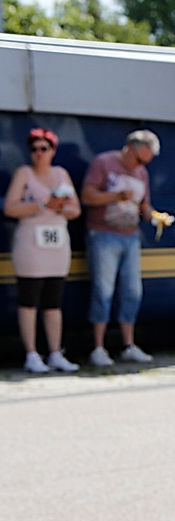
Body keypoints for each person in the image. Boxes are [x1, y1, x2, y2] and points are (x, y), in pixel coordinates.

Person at [80, 129, 162, 366]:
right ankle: (98, 348)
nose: (140, 166)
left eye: (145, 162)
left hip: (131, 236)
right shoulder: (103, 163)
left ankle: (128, 345)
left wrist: (155, 217)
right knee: (103, 291)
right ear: (129, 148)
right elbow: (87, 196)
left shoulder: (142, 173)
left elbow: (144, 205)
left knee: (132, 291)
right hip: (103, 234)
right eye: (139, 160)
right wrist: (115, 196)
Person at [3, 128, 82, 373]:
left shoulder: (61, 174)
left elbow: (75, 209)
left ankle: (55, 352)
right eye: (34, 149)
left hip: (57, 243)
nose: (39, 153)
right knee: (29, 299)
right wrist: (40, 204)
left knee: (53, 301)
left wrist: (61, 208)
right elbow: (10, 208)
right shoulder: (23, 174)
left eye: (43, 149)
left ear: (53, 151)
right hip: (31, 243)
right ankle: (31, 353)